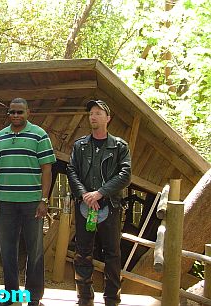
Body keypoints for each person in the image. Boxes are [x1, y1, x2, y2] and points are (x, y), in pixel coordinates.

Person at [0, 97, 56, 306]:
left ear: (28, 112)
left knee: (34, 250)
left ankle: (34, 297)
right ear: (8, 114)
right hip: (5, 202)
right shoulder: (0, 137)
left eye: (20, 112)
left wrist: (44, 199)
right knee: (7, 249)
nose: (16, 116)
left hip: (32, 203)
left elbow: (47, 169)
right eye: (12, 112)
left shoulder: (39, 135)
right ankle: (10, 294)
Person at [67, 100, 131, 306]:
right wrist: (85, 194)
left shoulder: (119, 146)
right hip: (85, 206)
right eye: (91, 113)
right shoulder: (80, 145)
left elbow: (125, 174)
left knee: (112, 253)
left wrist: (101, 193)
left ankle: (112, 299)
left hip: (110, 206)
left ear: (107, 118)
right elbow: (71, 170)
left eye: (98, 113)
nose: (93, 117)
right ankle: (84, 298)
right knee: (83, 252)